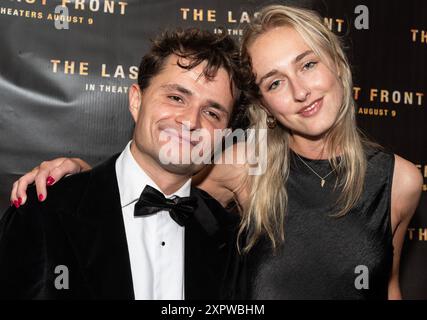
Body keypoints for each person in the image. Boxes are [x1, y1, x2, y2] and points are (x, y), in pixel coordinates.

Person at [9, 5, 423, 300]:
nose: (299, 91)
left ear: (338, 63)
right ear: (265, 105)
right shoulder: (247, 164)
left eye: (308, 64)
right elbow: (146, 179)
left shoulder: (401, 181)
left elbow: (388, 288)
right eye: (275, 82)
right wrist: (75, 173)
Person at [0, 28, 248, 299]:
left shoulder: (231, 238)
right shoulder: (46, 209)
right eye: (176, 98)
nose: (191, 121)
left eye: (212, 113)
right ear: (136, 101)